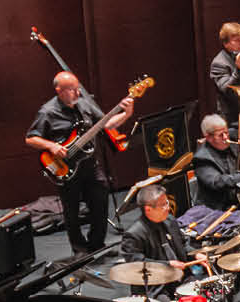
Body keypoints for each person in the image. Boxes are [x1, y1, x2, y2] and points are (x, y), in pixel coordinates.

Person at [24, 71, 132, 256]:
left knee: (100, 203)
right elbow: (31, 138)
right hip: (65, 167)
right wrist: (51, 146)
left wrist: (127, 112)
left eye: (78, 88)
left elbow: (106, 125)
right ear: (59, 90)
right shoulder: (48, 112)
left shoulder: (84, 104)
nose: (77, 93)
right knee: (71, 211)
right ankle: (80, 250)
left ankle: (96, 245)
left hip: (90, 165)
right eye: (72, 90)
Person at [117, 185, 196, 280]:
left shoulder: (170, 220)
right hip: (156, 286)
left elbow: (183, 245)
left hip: (182, 277)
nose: (168, 208)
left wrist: (195, 254)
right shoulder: (133, 234)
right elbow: (138, 264)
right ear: (148, 209)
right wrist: (167, 264)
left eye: (167, 202)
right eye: (163, 205)